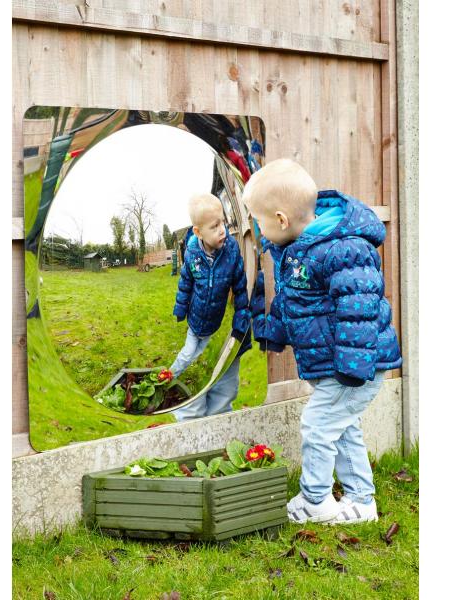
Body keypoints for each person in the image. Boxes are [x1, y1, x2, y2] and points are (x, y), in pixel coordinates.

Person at [242, 159, 402, 524]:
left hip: (355, 366)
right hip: (337, 365)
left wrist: (352, 365)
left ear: (281, 220)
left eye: (261, 223)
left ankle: (314, 500)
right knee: (341, 428)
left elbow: (359, 305)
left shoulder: (342, 249)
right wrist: (274, 333)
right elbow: (291, 301)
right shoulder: (296, 250)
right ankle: (362, 501)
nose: (261, 234)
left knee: (317, 425)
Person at [170, 193, 251, 420]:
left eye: (223, 222)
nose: (223, 230)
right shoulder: (193, 253)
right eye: (215, 226)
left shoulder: (231, 250)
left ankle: (220, 422)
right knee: (189, 359)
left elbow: (241, 287)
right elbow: (185, 283)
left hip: (220, 326)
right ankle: (172, 383)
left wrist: (241, 320)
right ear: (198, 232)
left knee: (225, 382)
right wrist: (180, 309)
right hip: (196, 323)